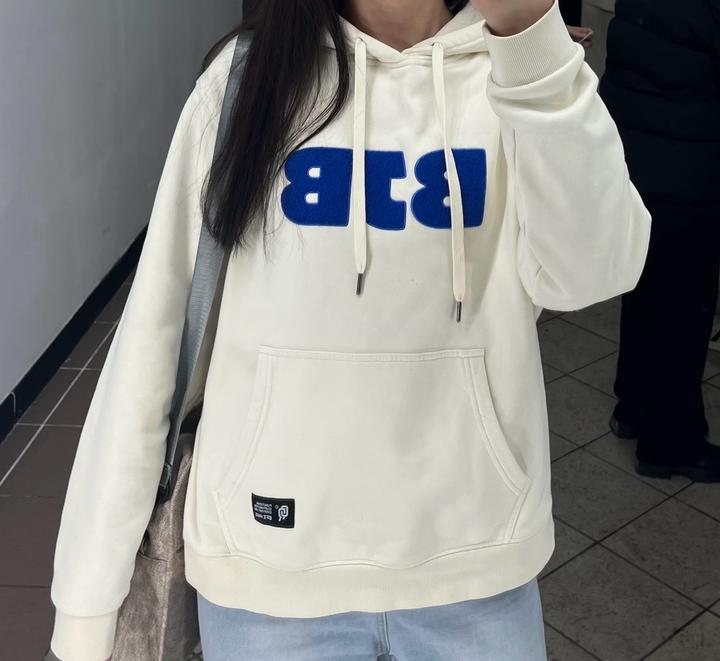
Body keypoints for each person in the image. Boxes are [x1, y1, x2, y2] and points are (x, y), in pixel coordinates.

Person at [47, 1, 651, 659]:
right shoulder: (246, 82)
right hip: (268, 578)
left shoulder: (523, 73)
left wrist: (530, 40)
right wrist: (89, 596)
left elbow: (595, 274)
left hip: (474, 565)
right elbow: (156, 338)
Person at [600, 0, 720, 482]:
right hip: (689, 158)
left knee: (646, 282)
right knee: (684, 306)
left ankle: (632, 404)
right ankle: (670, 442)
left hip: (636, 147)